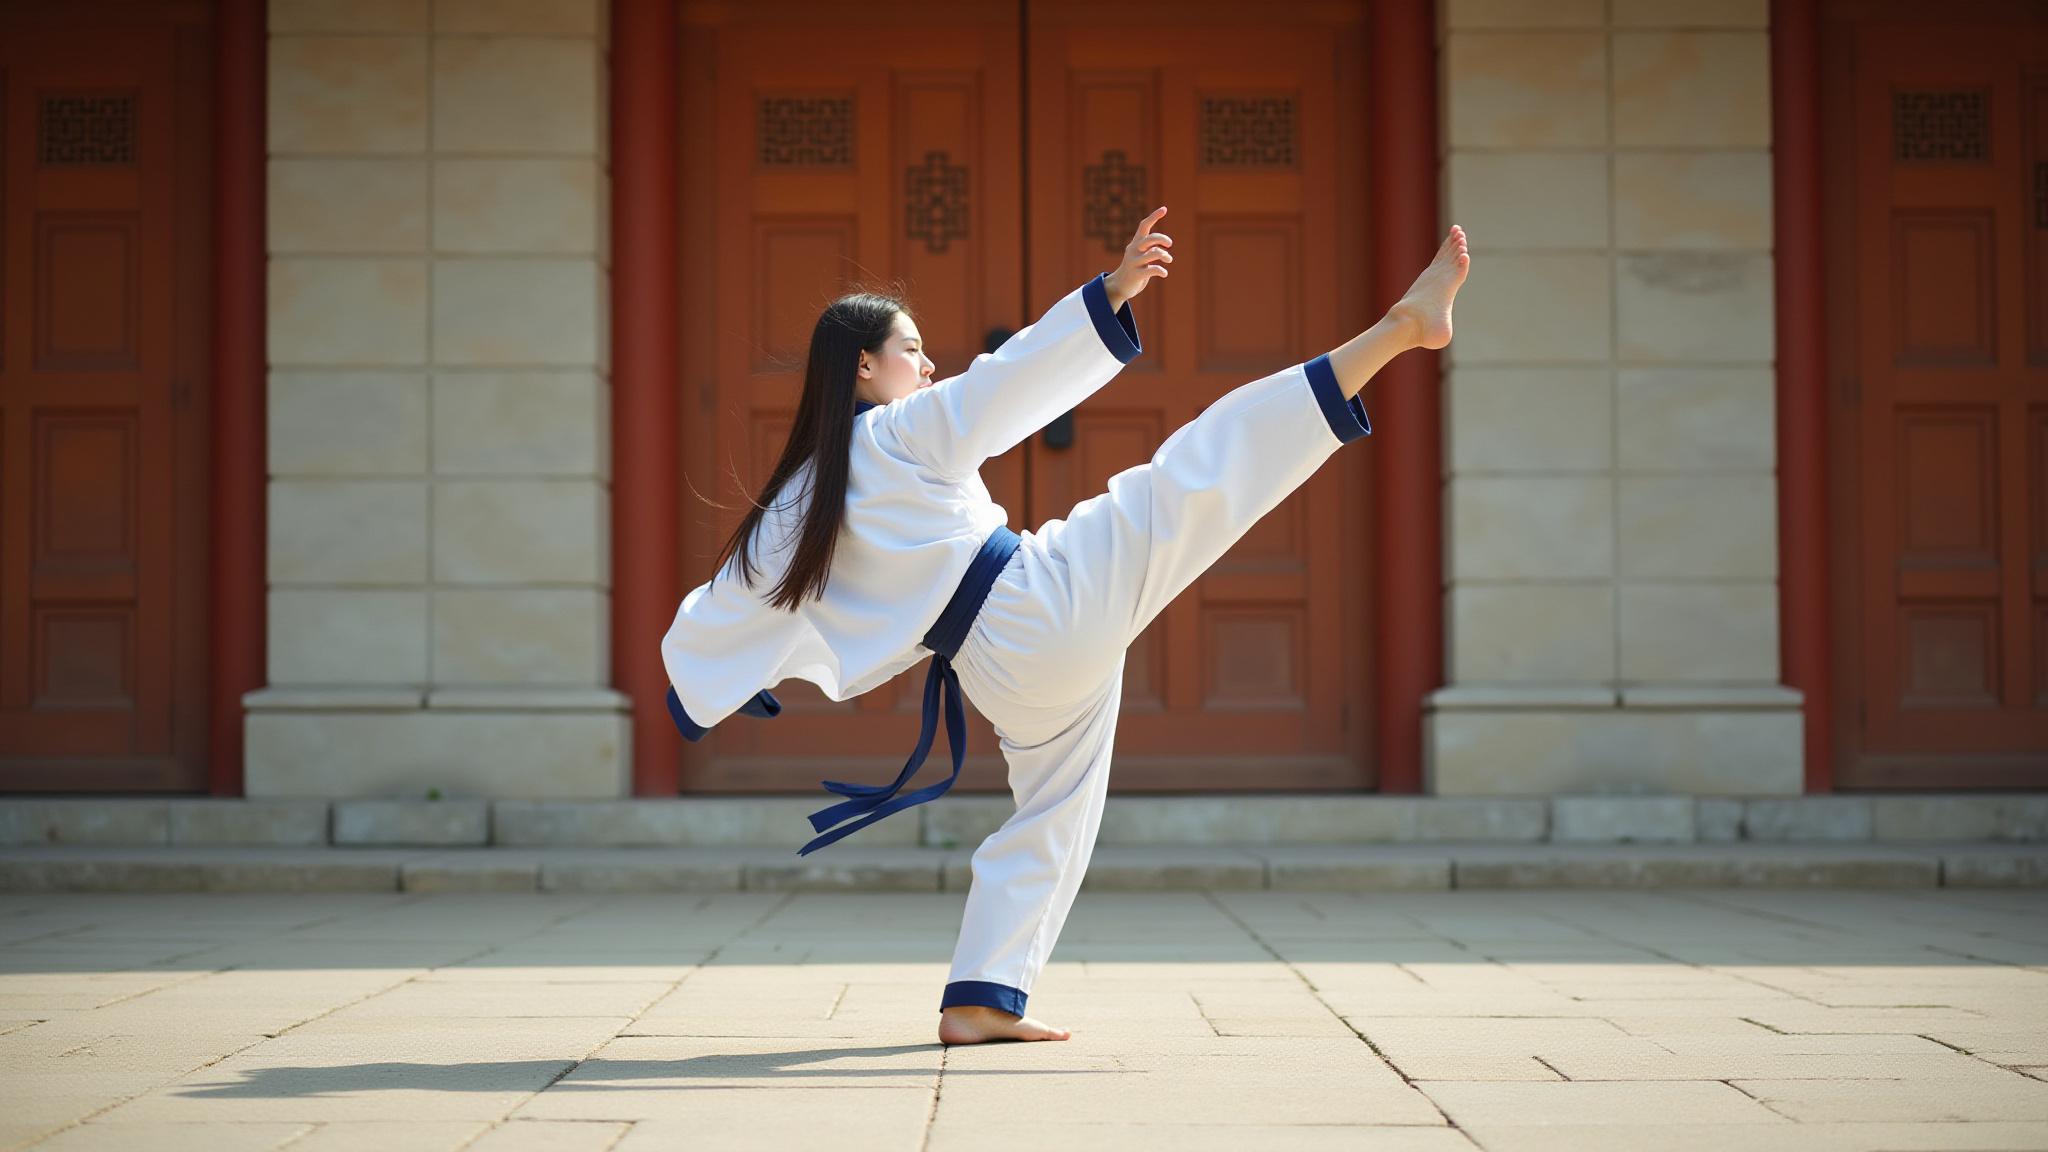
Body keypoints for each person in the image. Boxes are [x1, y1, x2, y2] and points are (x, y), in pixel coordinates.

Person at [661, 207, 1470, 1045]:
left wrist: (706, 687)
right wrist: (1113, 291)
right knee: (1195, 470)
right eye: (910, 349)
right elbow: (1004, 380)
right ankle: (1401, 329)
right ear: (864, 366)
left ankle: (982, 997)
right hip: (1033, 605)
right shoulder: (903, 431)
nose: (928, 361)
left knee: (1053, 810)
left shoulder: (799, 496)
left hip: (991, 666)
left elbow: (728, 598)